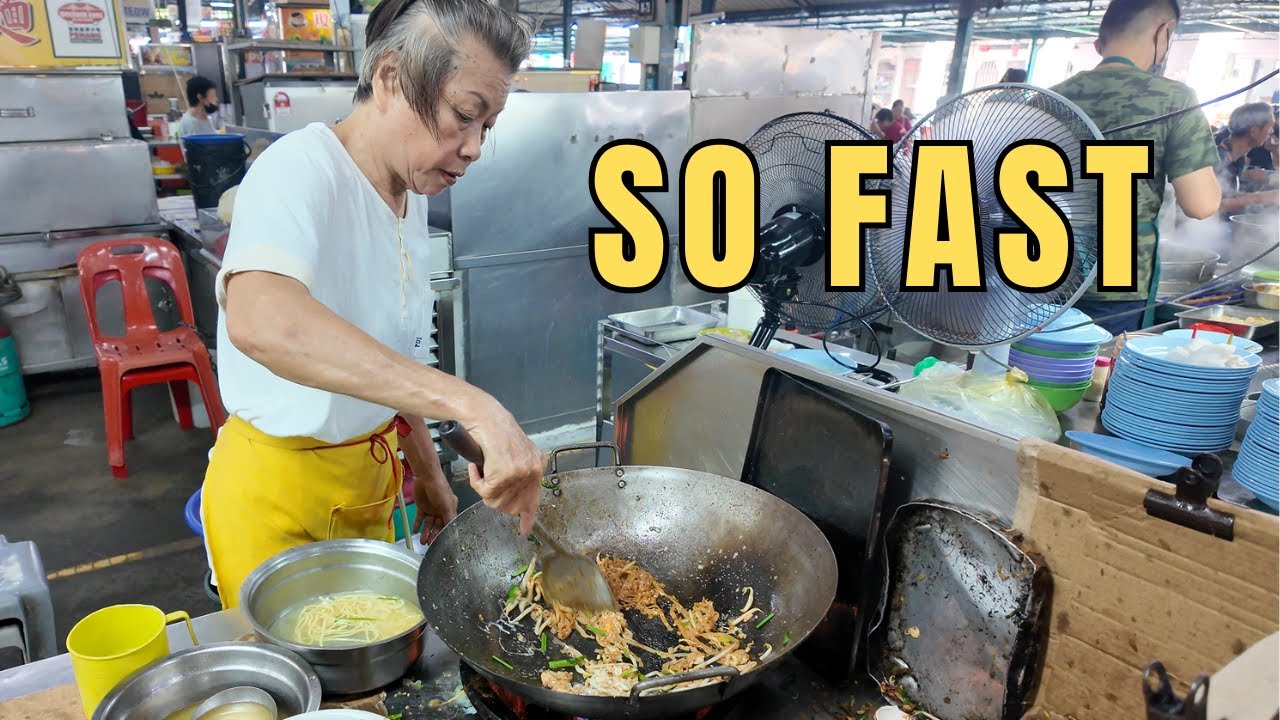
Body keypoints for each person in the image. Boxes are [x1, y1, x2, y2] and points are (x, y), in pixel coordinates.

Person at [201, 0, 545, 609]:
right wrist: (474, 405)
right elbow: (262, 320)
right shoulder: (300, 169)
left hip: (368, 488)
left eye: (486, 126)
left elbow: (389, 363)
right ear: (388, 78)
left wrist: (432, 477)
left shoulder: (408, 198)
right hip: (276, 497)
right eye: (464, 115)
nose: (473, 148)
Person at [1050, 0, 1221, 335]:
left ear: (1100, 42)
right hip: (1118, 278)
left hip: (1042, 270)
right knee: (1099, 377)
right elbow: (1201, 205)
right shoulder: (1173, 99)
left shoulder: (1051, 97)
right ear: (1165, 30)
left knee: (1039, 369)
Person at [1214, 103, 1279, 213]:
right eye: (1270, 126)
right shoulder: (1217, 159)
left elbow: (1228, 194)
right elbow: (1213, 206)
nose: (1272, 131)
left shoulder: (1238, 158)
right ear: (1253, 131)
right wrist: (1261, 197)